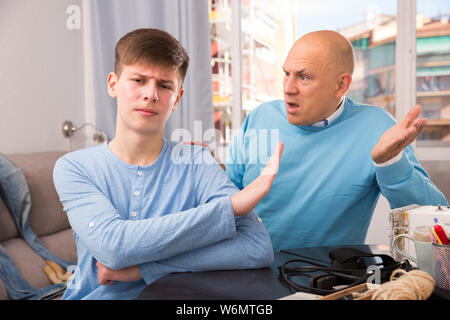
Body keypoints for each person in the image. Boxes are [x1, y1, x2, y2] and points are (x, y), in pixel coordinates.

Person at [53, 28, 283, 300]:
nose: (151, 94)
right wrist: (230, 208)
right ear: (113, 84)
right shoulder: (74, 167)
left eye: (164, 85)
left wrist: (144, 268)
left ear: (177, 98)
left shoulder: (198, 162)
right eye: (139, 80)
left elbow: (256, 247)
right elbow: (112, 247)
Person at [225, 30, 448, 251]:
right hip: (246, 272)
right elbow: (225, 199)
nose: (288, 88)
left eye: (304, 77)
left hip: (328, 282)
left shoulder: (376, 126)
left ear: (341, 85)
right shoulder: (260, 117)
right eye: (287, 74)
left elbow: (434, 221)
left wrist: (390, 163)